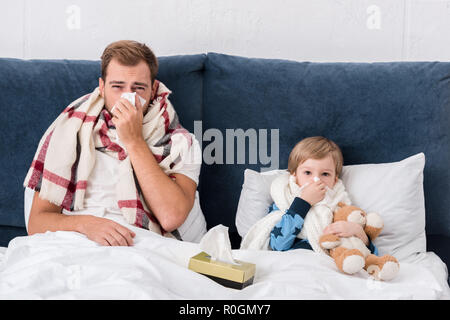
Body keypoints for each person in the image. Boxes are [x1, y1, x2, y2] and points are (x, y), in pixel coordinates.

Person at [24, 40, 206, 246]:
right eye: (117, 87)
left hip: (140, 247)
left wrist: (134, 140)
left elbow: (171, 217)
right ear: (102, 87)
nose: (127, 97)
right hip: (75, 242)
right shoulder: (70, 131)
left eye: (138, 87)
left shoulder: (182, 143)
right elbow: (37, 223)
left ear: (153, 89)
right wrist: (87, 225)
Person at [268, 136, 377, 254]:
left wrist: (358, 232)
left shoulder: (341, 206)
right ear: (294, 175)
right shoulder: (284, 201)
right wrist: (303, 202)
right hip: (296, 261)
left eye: (325, 174)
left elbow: (371, 257)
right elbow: (277, 245)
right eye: (307, 172)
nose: (316, 180)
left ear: (335, 180)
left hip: (329, 265)